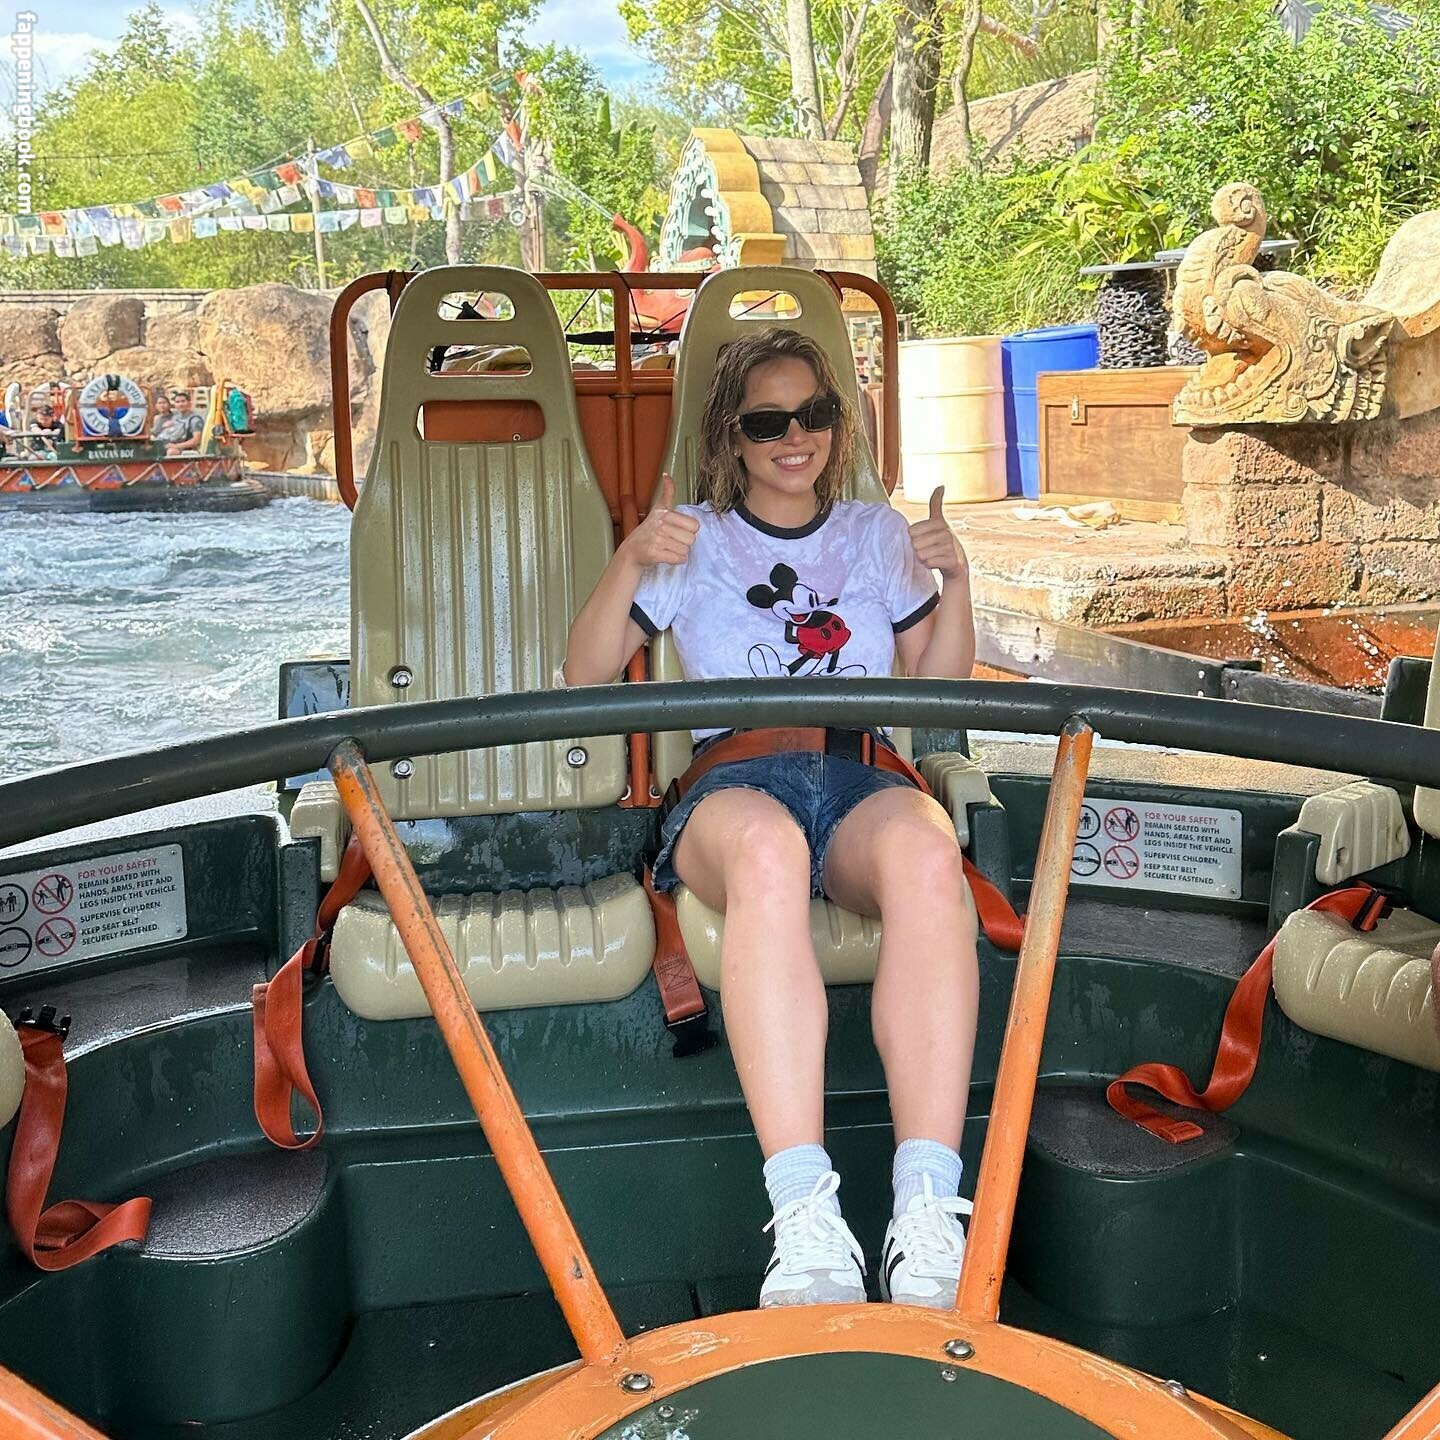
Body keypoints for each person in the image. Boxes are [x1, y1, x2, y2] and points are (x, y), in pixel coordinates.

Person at [564, 327, 978, 1310]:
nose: (795, 437)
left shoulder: (877, 534)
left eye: (814, 415)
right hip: (738, 781)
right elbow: (583, 674)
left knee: (930, 855)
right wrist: (630, 561)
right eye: (768, 422)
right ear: (732, 436)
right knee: (767, 849)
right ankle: (803, 1216)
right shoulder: (692, 539)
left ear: (839, 425)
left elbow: (943, 685)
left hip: (859, 773)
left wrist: (958, 582)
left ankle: (927, 1208)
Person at [162, 389, 205, 454]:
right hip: (169, 444)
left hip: (187, 450)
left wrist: (176, 446)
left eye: (183, 401)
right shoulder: (175, 417)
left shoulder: (194, 419)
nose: (180, 404)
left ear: (189, 403)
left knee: (171, 452)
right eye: (177, 402)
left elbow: (196, 440)